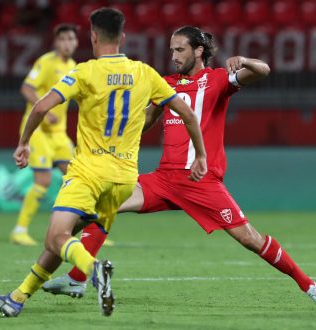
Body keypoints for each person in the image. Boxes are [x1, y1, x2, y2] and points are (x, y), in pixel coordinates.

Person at [43, 25, 316, 304]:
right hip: (164, 180)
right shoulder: (167, 83)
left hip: (202, 182)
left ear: (198, 51)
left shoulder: (219, 80)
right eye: (171, 49)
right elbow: (147, 121)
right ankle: (77, 278)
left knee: (250, 239)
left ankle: (309, 285)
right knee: (103, 206)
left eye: (180, 49)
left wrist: (244, 61)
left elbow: (264, 70)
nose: (173, 55)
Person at [0, 9, 207, 317]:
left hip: (89, 173)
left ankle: (93, 269)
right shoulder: (144, 73)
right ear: (123, 38)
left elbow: (40, 107)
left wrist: (23, 143)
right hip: (123, 180)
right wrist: (201, 155)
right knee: (62, 239)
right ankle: (17, 297)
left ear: (92, 37)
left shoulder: (84, 72)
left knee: (54, 237)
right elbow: (186, 112)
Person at [10, 23, 78, 246]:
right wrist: (44, 111)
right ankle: (19, 230)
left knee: (77, 177)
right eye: (64, 39)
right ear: (56, 42)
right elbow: (27, 88)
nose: (68, 43)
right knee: (43, 180)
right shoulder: (46, 62)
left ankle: (85, 229)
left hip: (59, 133)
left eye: (71, 39)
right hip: (38, 130)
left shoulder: (74, 66)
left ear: (76, 42)